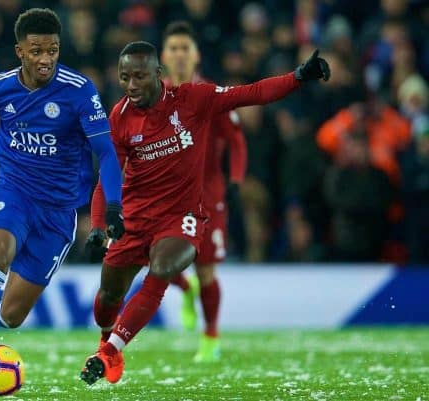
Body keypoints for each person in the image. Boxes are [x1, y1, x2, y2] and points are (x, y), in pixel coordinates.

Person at [80, 41, 330, 385]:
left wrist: (298, 77)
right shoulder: (120, 118)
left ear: (158, 74)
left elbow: (252, 93)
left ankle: (110, 353)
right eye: (125, 78)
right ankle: (106, 342)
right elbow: (106, 179)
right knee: (106, 301)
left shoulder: (193, 99)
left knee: (163, 268)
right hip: (134, 220)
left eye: (139, 76)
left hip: (180, 217)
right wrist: (98, 224)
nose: (132, 85)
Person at [0, 8, 124, 395]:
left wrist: (113, 206)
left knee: (11, 316)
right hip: (13, 192)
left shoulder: (79, 91)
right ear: (20, 51)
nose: (46, 58)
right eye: (36, 51)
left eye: (52, 50)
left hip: (58, 212)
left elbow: (108, 151)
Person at [160, 21, 247, 362]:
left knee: (206, 269)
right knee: (156, 261)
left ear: (195, 55)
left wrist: (236, 180)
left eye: (186, 48)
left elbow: (237, 141)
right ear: (164, 56)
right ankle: (184, 290)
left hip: (208, 194)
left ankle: (210, 336)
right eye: (174, 48)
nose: (180, 54)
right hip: (165, 194)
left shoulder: (213, 95)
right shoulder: (153, 97)